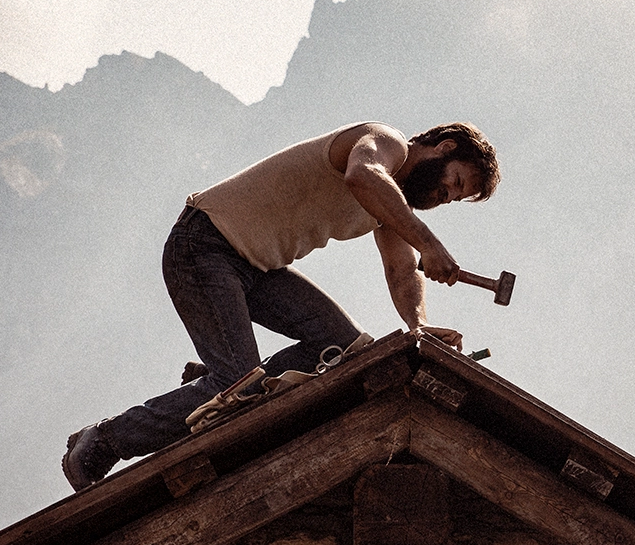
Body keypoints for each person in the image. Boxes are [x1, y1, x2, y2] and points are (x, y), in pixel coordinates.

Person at [61, 121, 500, 490]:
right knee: (237, 383)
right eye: (455, 183)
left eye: (455, 199)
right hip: (204, 243)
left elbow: (402, 272)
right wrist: (429, 242)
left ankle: (225, 383)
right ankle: (107, 439)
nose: (447, 197)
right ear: (444, 148)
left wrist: (419, 328)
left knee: (343, 347)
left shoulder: (391, 206)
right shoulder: (385, 142)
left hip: (255, 268)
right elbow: (362, 175)